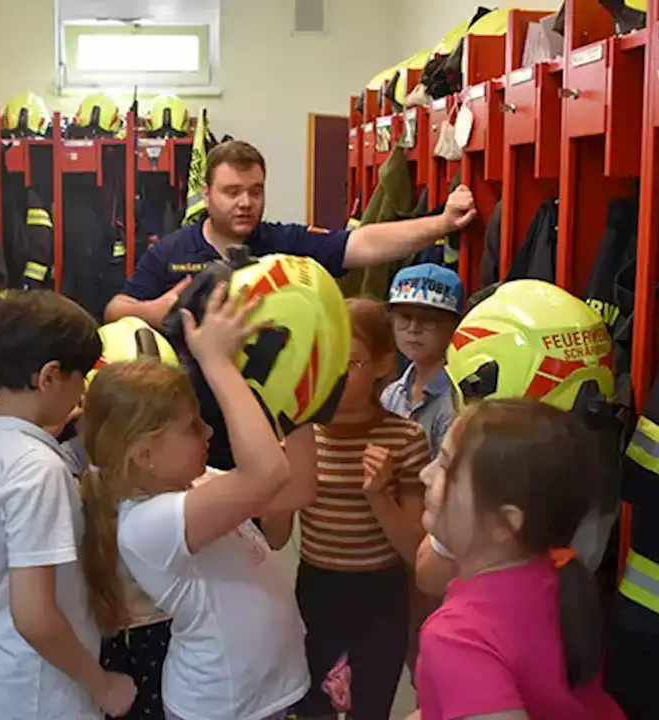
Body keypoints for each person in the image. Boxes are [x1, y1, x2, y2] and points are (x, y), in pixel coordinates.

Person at [81, 284, 319, 720]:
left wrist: (300, 395)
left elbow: (296, 487)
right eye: (193, 427)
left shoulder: (194, 484)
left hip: (264, 693)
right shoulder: (147, 524)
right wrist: (215, 362)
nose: (209, 434)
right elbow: (268, 473)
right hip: (221, 706)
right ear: (145, 456)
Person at [0, 290, 135, 720]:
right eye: (80, 376)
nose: (84, 388)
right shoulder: (37, 469)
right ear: (49, 376)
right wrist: (102, 685)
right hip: (35, 695)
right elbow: (34, 616)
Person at [262, 298, 430, 720]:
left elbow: (416, 551)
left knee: (369, 706)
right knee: (312, 704)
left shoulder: (406, 439)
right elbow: (275, 537)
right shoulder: (302, 437)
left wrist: (379, 497)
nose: (333, 375)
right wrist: (278, 478)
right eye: (323, 359)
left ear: (382, 364)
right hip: (317, 589)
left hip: (381, 595)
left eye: (351, 362)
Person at [105, 140, 477, 328]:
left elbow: (361, 243)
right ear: (207, 194)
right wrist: (157, 310)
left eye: (256, 190)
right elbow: (115, 311)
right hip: (191, 406)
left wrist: (442, 224)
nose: (246, 202)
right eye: (232, 192)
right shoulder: (171, 251)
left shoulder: (282, 243)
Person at [411, 399, 624, 720]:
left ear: (506, 523)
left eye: (444, 466)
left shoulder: (459, 637)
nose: (424, 474)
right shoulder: (556, 575)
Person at [380, 264, 463, 457]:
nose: (413, 328)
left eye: (429, 319)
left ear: (454, 325)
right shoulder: (391, 394)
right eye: (405, 317)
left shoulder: (457, 400)